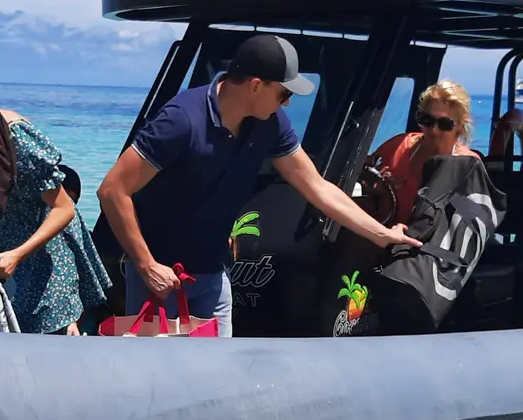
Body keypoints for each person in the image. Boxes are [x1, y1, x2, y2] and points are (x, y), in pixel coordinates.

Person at [97, 34, 419, 336]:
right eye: (284, 94)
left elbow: (317, 187)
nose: (287, 104)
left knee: (216, 378)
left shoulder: (271, 124)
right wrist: (146, 264)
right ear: (255, 86)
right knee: (158, 378)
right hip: (159, 279)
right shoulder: (181, 121)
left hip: (212, 276)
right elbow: (113, 190)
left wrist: (382, 234)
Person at [0, 103, 109, 334]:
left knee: (51, 342)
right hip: (7, 262)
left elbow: (64, 209)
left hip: (47, 265)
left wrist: (17, 256)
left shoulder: (13, 137)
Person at [366, 79, 483, 223]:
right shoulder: (399, 146)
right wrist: (378, 187)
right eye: (427, 120)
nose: (434, 130)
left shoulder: (468, 165)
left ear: (460, 125)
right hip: (382, 236)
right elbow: (360, 174)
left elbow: (471, 221)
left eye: (444, 124)